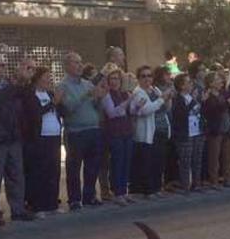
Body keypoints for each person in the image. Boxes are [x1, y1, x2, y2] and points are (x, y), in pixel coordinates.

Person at [0, 52, 35, 223]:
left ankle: (18, 209)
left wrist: (25, 80)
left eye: (5, 65)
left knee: (16, 175)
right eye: (0, 65)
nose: (4, 68)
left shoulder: (7, 83)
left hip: (13, 134)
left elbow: (23, 97)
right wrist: (16, 81)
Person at [58, 52, 108, 210]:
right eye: (75, 63)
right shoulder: (62, 86)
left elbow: (97, 107)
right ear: (67, 66)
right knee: (74, 167)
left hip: (93, 129)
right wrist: (85, 95)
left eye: (81, 62)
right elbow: (68, 108)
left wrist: (99, 98)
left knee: (92, 165)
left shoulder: (88, 84)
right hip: (75, 131)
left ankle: (89, 196)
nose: (80, 66)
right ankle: (74, 199)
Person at [21, 67, 63, 215]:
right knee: (40, 171)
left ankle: (52, 203)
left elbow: (59, 110)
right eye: (46, 76)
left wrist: (58, 102)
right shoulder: (31, 94)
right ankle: (37, 205)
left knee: (54, 171)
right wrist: (53, 103)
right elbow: (35, 113)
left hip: (54, 137)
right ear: (38, 78)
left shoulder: (49, 93)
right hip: (39, 138)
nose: (49, 79)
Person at [131, 65, 174, 197]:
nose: (147, 79)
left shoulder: (154, 89)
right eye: (143, 76)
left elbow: (166, 107)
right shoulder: (138, 92)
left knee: (158, 161)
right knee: (147, 162)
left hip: (160, 129)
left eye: (149, 76)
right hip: (146, 132)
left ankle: (157, 187)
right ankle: (148, 190)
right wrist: (162, 99)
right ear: (138, 78)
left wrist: (167, 98)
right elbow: (146, 110)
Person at [101, 67, 135, 206]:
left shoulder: (124, 93)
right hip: (114, 132)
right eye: (112, 79)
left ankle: (124, 191)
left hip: (126, 131)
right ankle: (117, 193)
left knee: (126, 161)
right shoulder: (106, 95)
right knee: (117, 161)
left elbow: (130, 111)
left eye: (117, 79)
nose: (115, 82)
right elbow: (112, 113)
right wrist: (127, 101)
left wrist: (136, 105)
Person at [201, 71, 230, 189]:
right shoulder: (208, 96)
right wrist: (228, 102)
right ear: (210, 83)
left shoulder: (222, 93)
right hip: (215, 129)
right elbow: (211, 110)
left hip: (226, 127)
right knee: (214, 156)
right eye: (217, 79)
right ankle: (213, 181)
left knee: (226, 155)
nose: (220, 81)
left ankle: (227, 178)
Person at [172, 73, 205, 191]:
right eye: (188, 82)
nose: (191, 84)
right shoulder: (178, 99)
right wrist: (192, 103)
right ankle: (185, 184)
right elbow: (181, 114)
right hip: (185, 134)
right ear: (181, 86)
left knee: (197, 158)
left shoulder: (192, 97)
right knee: (185, 160)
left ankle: (197, 183)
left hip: (196, 131)